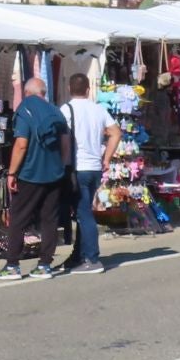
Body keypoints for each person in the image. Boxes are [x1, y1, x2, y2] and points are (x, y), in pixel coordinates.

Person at [0, 79, 71, 281]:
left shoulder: (25, 109)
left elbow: (21, 144)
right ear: (43, 93)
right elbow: (65, 143)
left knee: (19, 219)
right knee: (49, 220)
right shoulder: (56, 111)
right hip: (54, 174)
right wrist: (61, 166)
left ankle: (12, 265)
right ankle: (45, 264)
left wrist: (12, 173)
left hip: (30, 174)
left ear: (27, 92)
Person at [62, 73, 120, 274]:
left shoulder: (66, 110)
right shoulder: (99, 109)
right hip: (95, 167)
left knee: (83, 214)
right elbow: (116, 133)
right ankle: (78, 255)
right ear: (88, 89)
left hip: (78, 168)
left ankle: (92, 258)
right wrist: (107, 158)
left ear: (69, 89)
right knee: (83, 212)